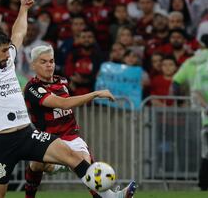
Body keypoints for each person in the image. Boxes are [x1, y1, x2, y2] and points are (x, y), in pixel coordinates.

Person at [0, 0, 136, 198]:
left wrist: (23, 8)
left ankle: (109, 197)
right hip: (2, 140)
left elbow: (19, 32)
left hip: (27, 133)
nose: (8, 54)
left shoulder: (7, 60)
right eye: (4, 51)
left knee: (72, 156)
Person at [23, 44, 136, 198]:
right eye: (43, 62)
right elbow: (63, 103)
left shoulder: (62, 81)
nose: (49, 65)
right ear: (33, 65)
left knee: (87, 167)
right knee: (36, 165)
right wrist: (95, 94)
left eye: (51, 61)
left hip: (71, 136)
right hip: (49, 139)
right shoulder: (32, 88)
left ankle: (112, 197)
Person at [193, 34, 208, 191]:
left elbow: (197, 91)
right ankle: (203, 184)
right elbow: (197, 91)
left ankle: (203, 185)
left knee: (207, 153)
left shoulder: (201, 68)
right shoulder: (202, 69)